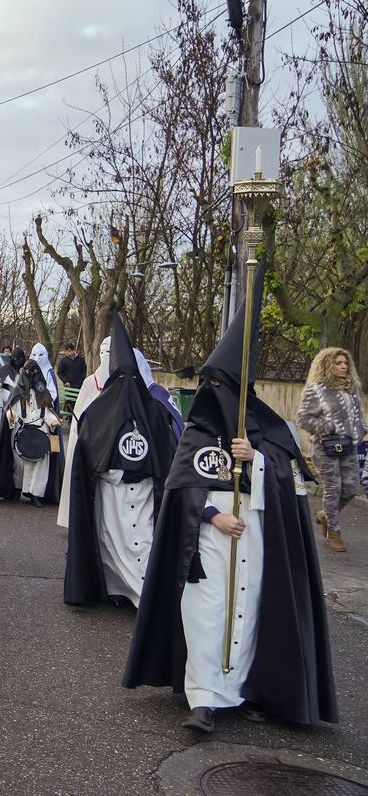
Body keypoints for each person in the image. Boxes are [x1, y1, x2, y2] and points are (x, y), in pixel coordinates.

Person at [124, 266, 336, 733]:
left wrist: (256, 460)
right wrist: (214, 515)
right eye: (208, 385)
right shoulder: (196, 434)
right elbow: (177, 495)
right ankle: (203, 699)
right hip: (207, 548)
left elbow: (290, 489)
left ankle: (242, 690)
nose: (210, 394)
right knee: (204, 617)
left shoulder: (269, 435)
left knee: (250, 616)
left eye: (221, 386)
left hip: (255, 542)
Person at [63, 317, 176, 607]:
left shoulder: (154, 407)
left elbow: (167, 444)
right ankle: (115, 589)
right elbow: (87, 442)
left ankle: (144, 595)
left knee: (143, 542)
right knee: (110, 541)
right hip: (110, 488)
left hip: (145, 489)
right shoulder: (98, 407)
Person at [297, 346, 366, 553]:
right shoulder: (316, 389)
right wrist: (328, 427)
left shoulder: (350, 389)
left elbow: (357, 415)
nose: (343, 366)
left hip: (350, 445)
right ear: (327, 365)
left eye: (345, 363)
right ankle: (333, 532)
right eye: (338, 363)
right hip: (325, 447)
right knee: (334, 488)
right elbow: (302, 418)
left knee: (352, 488)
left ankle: (326, 515)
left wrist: (361, 430)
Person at [0, 355, 62, 506]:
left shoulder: (43, 394)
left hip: (41, 431)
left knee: (40, 464)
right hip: (21, 431)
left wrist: (54, 421)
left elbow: (49, 412)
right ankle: (17, 488)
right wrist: (10, 417)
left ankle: (35, 494)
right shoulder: (18, 393)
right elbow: (11, 410)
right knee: (19, 464)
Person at [57, 336, 112, 527]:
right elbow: (78, 419)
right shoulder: (91, 383)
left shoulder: (125, 383)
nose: (107, 357)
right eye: (104, 352)